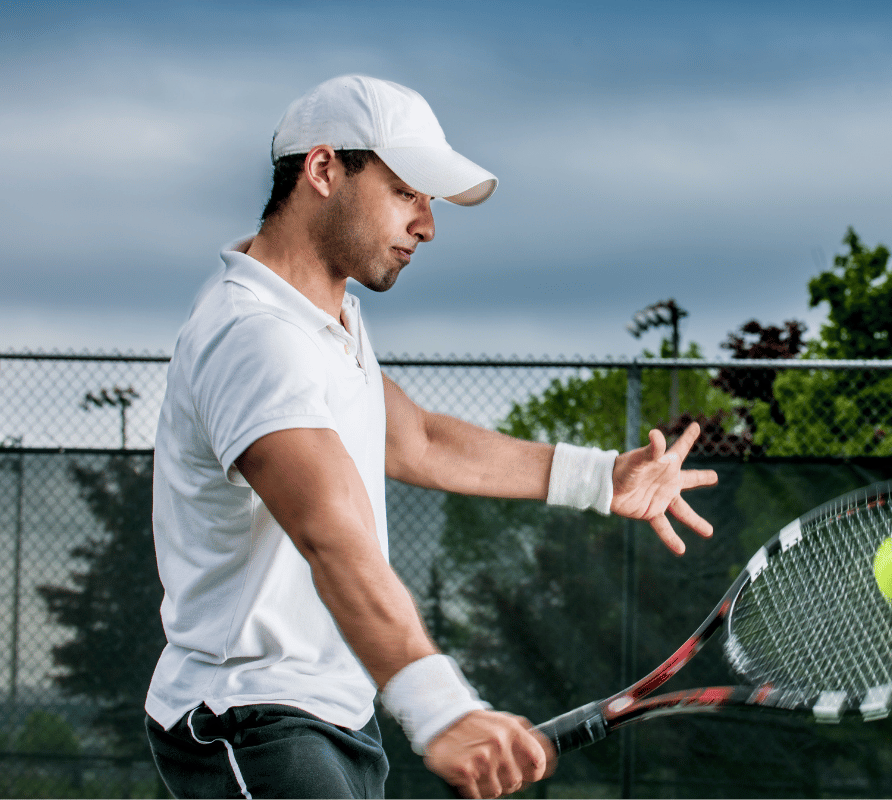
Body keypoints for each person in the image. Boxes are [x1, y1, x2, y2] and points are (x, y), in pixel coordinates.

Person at [144, 74, 718, 800]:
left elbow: (415, 440)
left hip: (331, 715)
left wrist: (600, 477)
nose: (427, 224)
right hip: (247, 715)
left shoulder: (325, 321)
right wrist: (440, 708)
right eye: (407, 192)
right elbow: (332, 533)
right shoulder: (254, 337)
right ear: (323, 171)